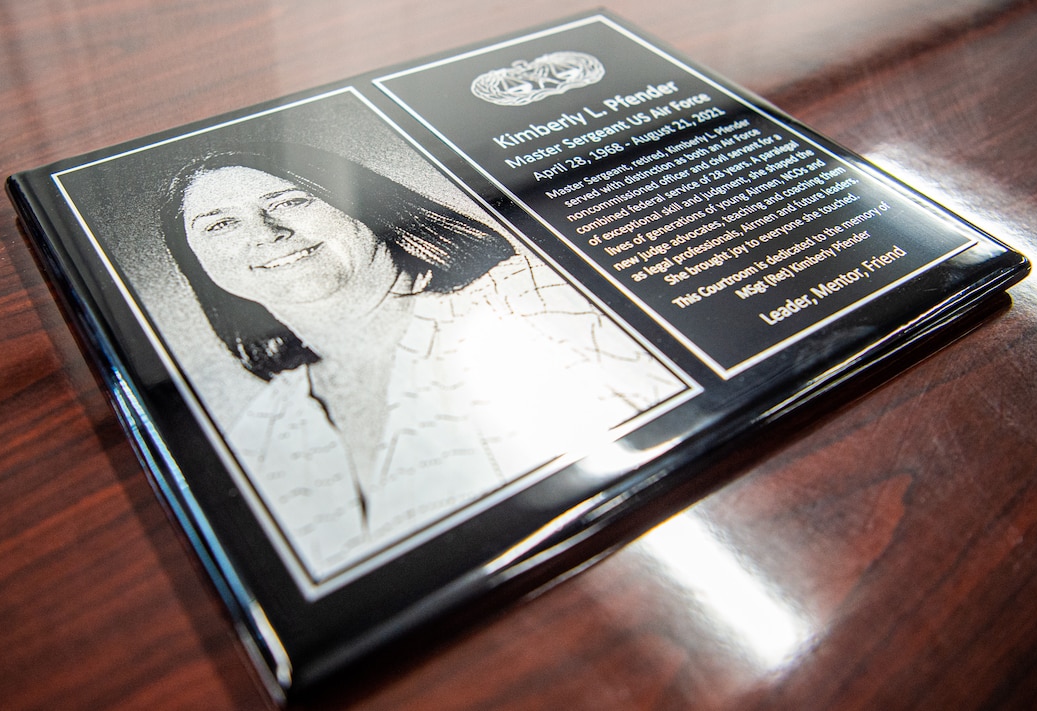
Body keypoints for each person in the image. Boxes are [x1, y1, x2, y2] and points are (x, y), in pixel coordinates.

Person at [161, 144, 682, 580]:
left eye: (291, 201)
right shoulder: (265, 430)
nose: (264, 232)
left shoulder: (531, 299)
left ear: (361, 203)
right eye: (218, 225)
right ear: (197, 263)